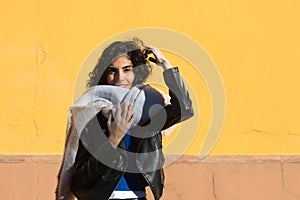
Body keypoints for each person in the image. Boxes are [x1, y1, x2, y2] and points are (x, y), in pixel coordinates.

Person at [70, 38, 193, 200]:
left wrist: (165, 64)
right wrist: (113, 139)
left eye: (127, 69)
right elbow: (82, 177)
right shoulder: (92, 113)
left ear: (137, 72)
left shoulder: (148, 112)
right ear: (105, 75)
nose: (120, 77)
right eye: (112, 71)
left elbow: (184, 109)